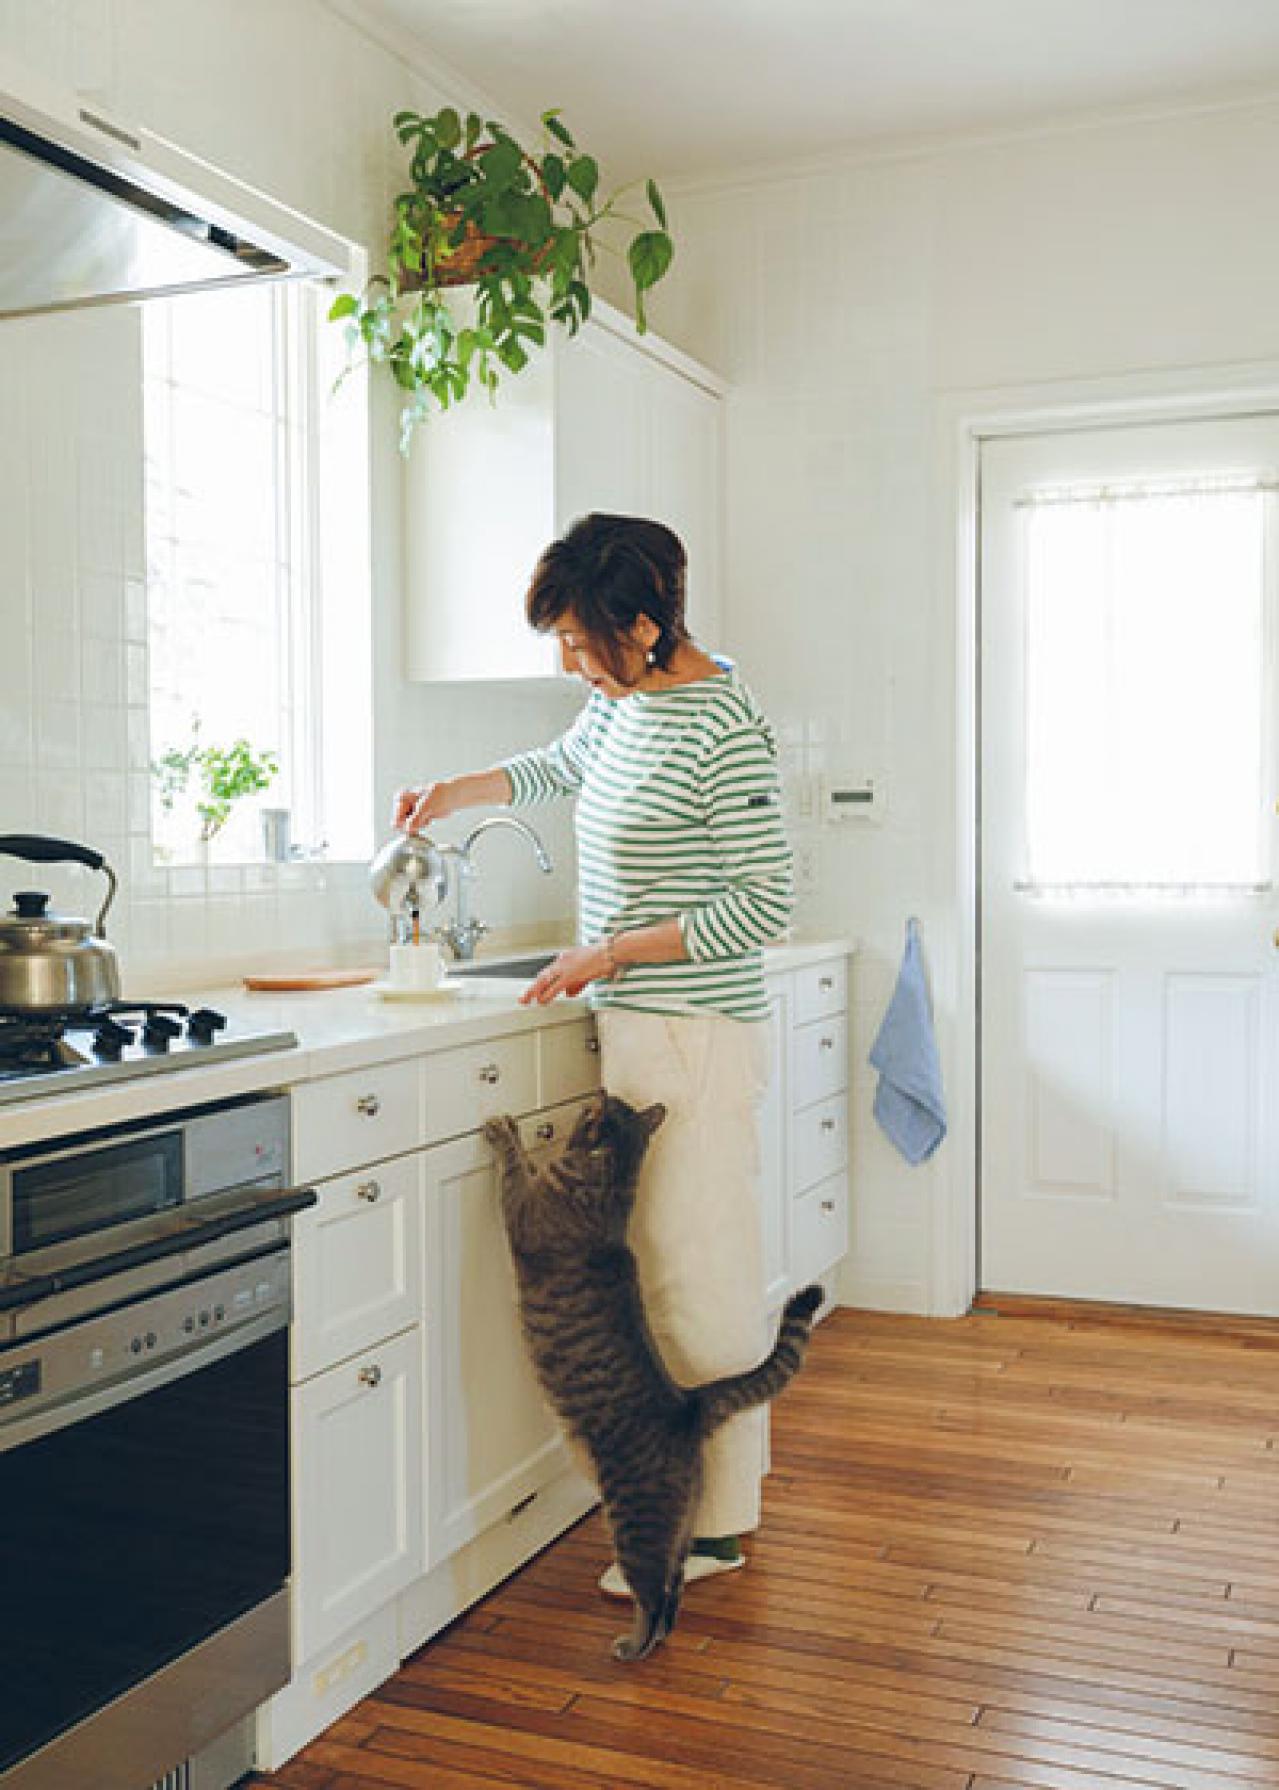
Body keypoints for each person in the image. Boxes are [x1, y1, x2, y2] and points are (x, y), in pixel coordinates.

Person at [394, 511, 794, 1595]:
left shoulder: (721, 723)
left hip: (691, 1029)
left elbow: (765, 901)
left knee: (694, 1274)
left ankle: (710, 1524)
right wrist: (455, 793)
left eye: (581, 640)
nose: (570, 662)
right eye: (561, 642)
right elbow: (561, 762)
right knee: (654, 1268)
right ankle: (686, 1506)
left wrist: (607, 952)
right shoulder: (619, 702)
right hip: (635, 1021)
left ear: (648, 623)